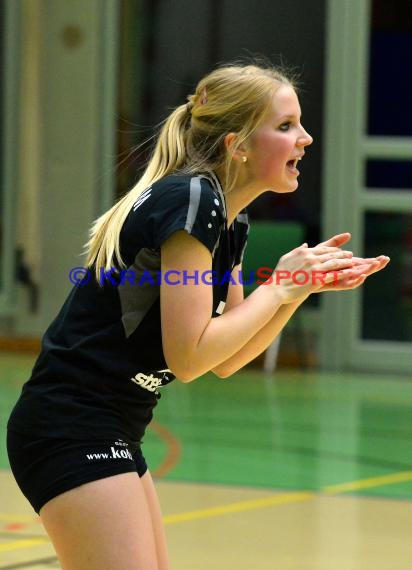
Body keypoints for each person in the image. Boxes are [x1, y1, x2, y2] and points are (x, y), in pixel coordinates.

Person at [7, 62, 389, 570]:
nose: (306, 137)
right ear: (238, 145)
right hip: (70, 426)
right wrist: (279, 285)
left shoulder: (229, 218)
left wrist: (295, 292)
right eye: (286, 125)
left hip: (114, 428)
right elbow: (188, 358)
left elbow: (225, 358)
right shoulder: (193, 200)